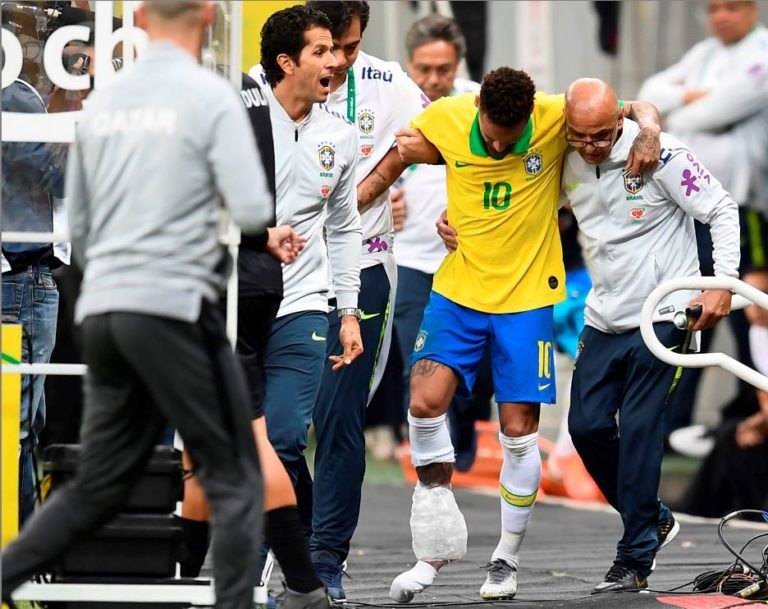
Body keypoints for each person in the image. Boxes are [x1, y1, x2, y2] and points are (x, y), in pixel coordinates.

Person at [1, 3, 271, 609]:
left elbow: (83, 225)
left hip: (105, 309)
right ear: (207, 15)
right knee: (234, 479)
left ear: (141, 20)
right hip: (173, 305)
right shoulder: (209, 97)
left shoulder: (106, 106)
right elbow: (253, 210)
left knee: (95, 487)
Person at [390, 67, 662, 602]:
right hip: (459, 290)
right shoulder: (449, 113)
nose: (496, 143)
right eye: (490, 132)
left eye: (507, 138)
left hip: (528, 298)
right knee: (423, 403)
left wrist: (649, 130)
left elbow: (630, 108)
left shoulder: (559, 116)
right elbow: (403, 146)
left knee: (517, 428)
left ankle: (505, 559)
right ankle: (434, 545)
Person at [560, 78, 740, 593]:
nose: (590, 147)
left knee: (639, 426)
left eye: (600, 135)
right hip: (605, 316)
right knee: (587, 427)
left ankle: (635, 556)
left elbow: (721, 211)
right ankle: (653, 517)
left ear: (619, 119)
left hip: (667, 314)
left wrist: (721, 284)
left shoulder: (659, 152)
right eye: (580, 136)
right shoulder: (564, 153)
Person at [177, 68, 331, 609]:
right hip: (252, 278)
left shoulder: (197, 86)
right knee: (201, 442)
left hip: (225, 283)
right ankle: (181, 575)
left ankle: (306, 583)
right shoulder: (238, 83)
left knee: (252, 441)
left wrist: (258, 233)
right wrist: (263, 234)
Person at [301, 2, 428, 601]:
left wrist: (387, 172)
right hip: (285, 271)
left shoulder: (385, 81)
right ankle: (284, 541)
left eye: (352, 46)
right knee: (278, 421)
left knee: (339, 418)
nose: (342, 60)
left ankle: (327, 557)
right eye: (331, 47)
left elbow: (444, 132)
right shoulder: (272, 76)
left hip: (367, 267)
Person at [247, 3, 364, 584]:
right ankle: (281, 555)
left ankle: (297, 558)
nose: (337, 61)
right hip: (234, 303)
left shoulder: (340, 136)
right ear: (285, 62)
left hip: (302, 303)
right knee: (234, 442)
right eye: (321, 50)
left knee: (288, 435)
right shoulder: (239, 117)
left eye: (337, 50)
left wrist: (349, 312)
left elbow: (344, 227)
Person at [638, 0, 768, 435]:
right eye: (712, 8)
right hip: (696, 212)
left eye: (731, 7)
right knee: (692, 314)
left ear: (751, 10)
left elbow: (715, 111)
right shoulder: (705, 54)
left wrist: (678, 112)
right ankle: (677, 426)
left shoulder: (762, 51)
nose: (720, 17)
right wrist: (684, 100)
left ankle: (755, 415)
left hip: (748, 208)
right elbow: (650, 92)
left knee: (752, 308)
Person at [384, 13, 492, 472]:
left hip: (473, 260)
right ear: (409, 64)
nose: (433, 79)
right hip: (409, 260)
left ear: (457, 66)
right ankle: (433, 463)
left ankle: (466, 419)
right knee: (419, 364)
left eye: (442, 69)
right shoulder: (391, 105)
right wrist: (382, 204)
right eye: (424, 68)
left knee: (477, 369)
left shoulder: (478, 104)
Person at [674, 266, 768, 518]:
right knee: (732, 433)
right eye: (747, 299)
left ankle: (750, 513)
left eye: (762, 295)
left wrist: (756, 425)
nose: (756, 306)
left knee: (736, 434)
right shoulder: (757, 333)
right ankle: (704, 509)